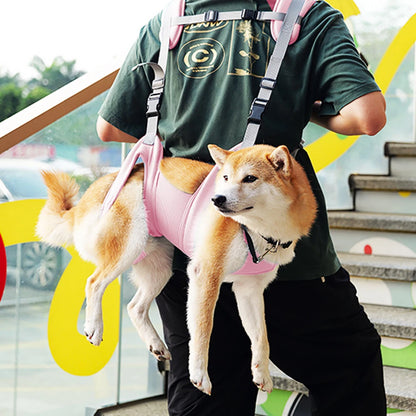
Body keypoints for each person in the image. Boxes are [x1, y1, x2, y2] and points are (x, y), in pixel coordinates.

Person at [97, 1, 387, 415]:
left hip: (188, 240)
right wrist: (304, 105)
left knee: (206, 395)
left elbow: (110, 126)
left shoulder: (171, 19)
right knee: (348, 373)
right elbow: (367, 115)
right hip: (282, 253)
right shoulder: (306, 14)